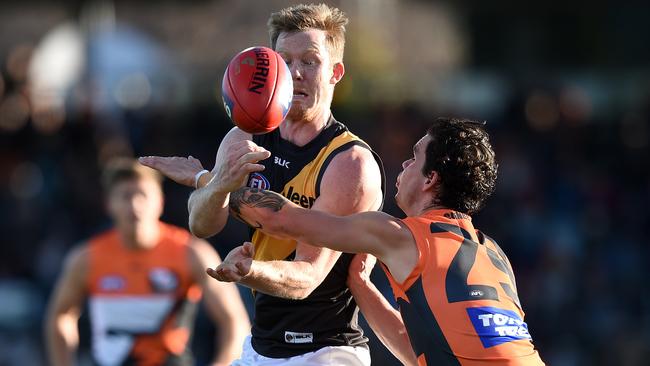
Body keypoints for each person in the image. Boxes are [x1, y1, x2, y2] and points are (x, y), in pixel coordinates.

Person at [139, 3, 418, 365]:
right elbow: (202, 222)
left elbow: (307, 277)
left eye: (310, 61)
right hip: (259, 347)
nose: (296, 72)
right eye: (285, 60)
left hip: (326, 350)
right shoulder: (244, 136)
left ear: (335, 72)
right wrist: (215, 185)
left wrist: (248, 271)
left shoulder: (349, 164)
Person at [228, 117, 546, 365]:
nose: (405, 164)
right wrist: (361, 285)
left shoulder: (401, 235)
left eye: (414, 156)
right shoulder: (495, 255)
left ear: (430, 179)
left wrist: (210, 182)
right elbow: (418, 355)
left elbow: (284, 220)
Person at [44, 158, 251, 366]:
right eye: (125, 196)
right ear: (109, 204)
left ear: (160, 201)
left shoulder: (191, 253)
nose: (135, 205)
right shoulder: (86, 258)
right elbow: (60, 316)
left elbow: (234, 322)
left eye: (142, 195)